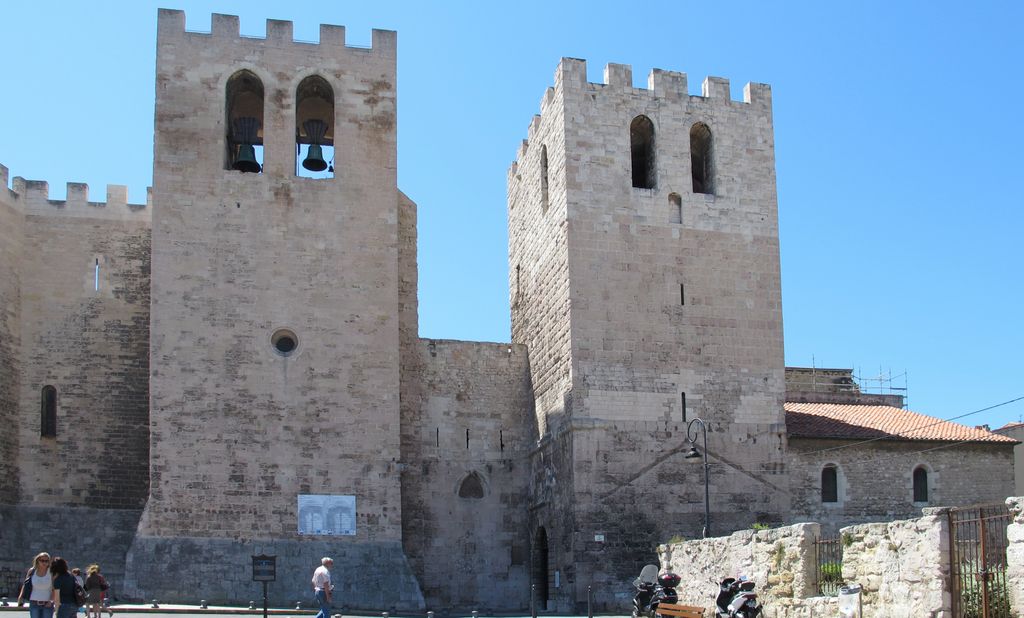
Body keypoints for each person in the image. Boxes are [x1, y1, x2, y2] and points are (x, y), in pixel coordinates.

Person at [17, 553, 54, 618]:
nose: (44, 563)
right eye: (42, 560)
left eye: (46, 561)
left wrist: (51, 600)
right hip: (34, 602)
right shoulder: (32, 571)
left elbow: (54, 588)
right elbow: (26, 584)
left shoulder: (51, 572)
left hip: (47, 603)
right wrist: (20, 596)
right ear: (37, 560)